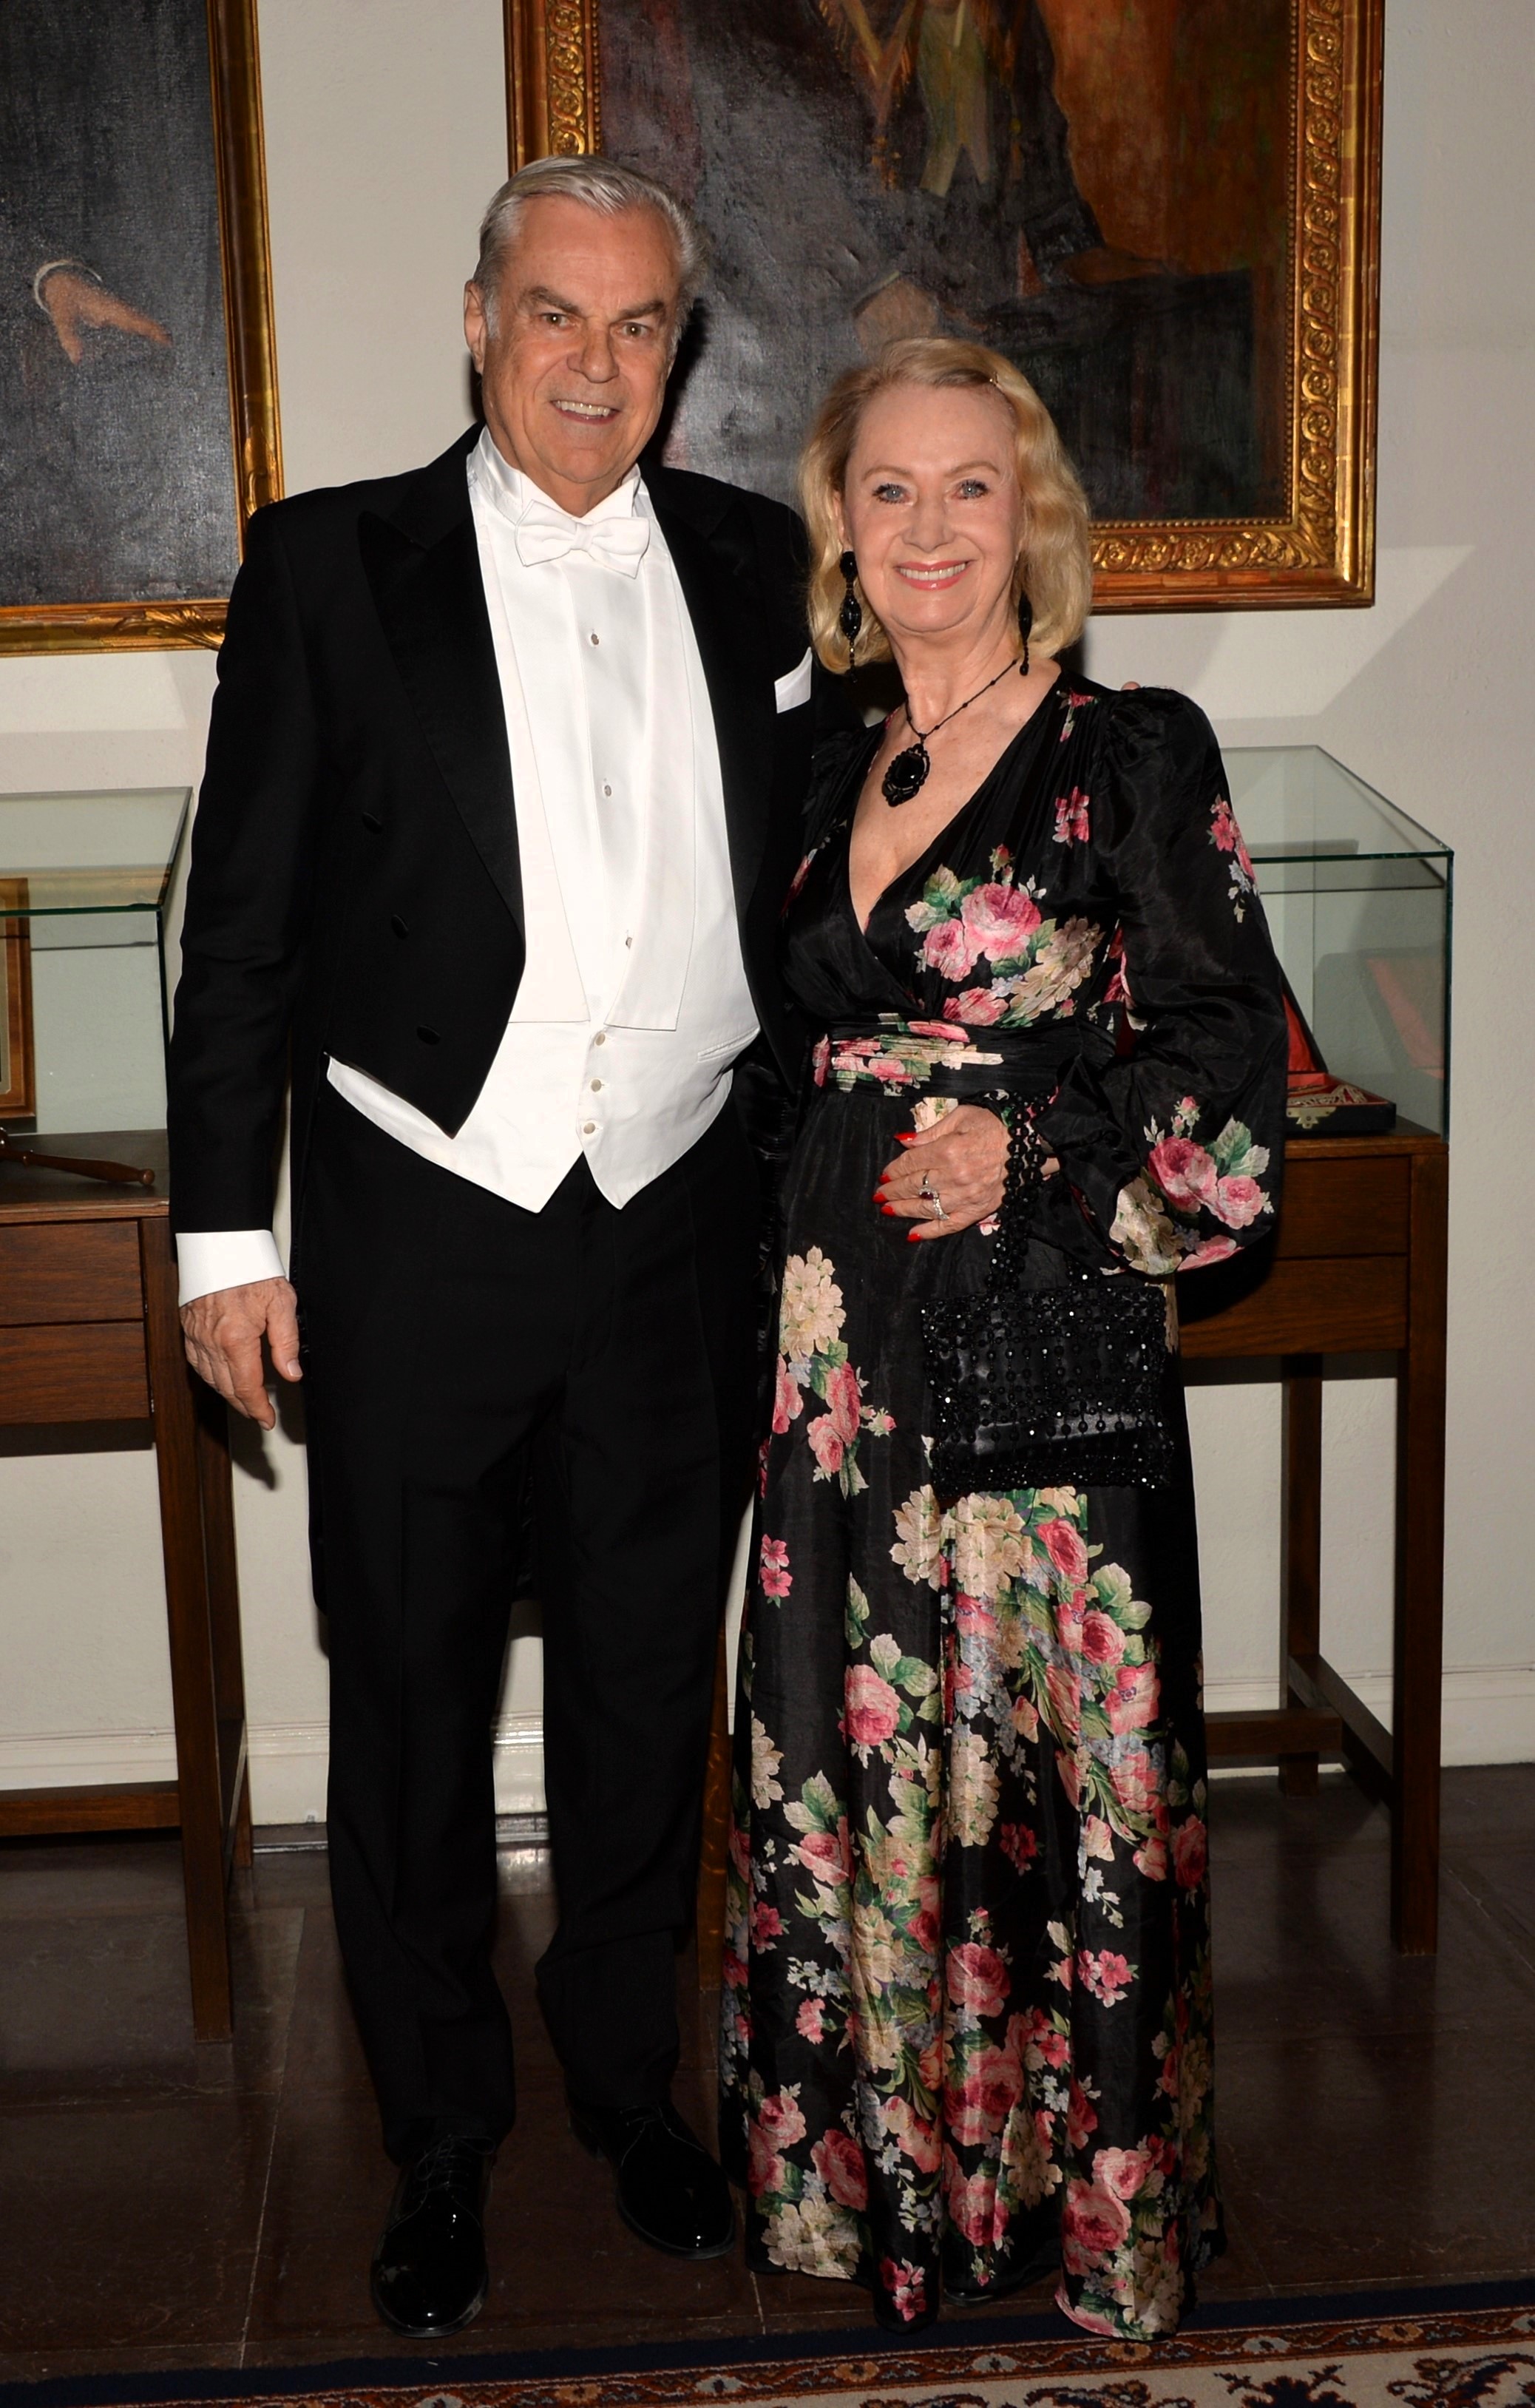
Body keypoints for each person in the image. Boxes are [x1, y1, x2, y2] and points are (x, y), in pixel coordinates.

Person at [168, 155, 848, 2339]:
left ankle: (631, 2089)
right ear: (480, 321)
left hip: (678, 1226)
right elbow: (239, 932)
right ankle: (440, 2134)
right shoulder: (326, 565)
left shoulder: (758, 564)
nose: (595, 362)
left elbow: (836, 879)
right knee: (410, 1702)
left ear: (681, 348)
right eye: (555, 314)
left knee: (651, 1694)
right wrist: (222, 1239)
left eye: (639, 325)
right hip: (417, 1226)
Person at [719, 336, 1287, 2339]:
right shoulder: (818, 761)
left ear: (1029, 513)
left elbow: (1224, 1057)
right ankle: (889, 2195)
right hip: (841, 1349)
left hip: (1037, 1323)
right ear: (840, 524)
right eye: (889, 489)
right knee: (850, 1747)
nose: (931, 526)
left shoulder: (1133, 749)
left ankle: (1084, 2207)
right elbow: (776, 1061)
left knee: (1054, 1759)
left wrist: (1031, 1143)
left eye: (971, 485)